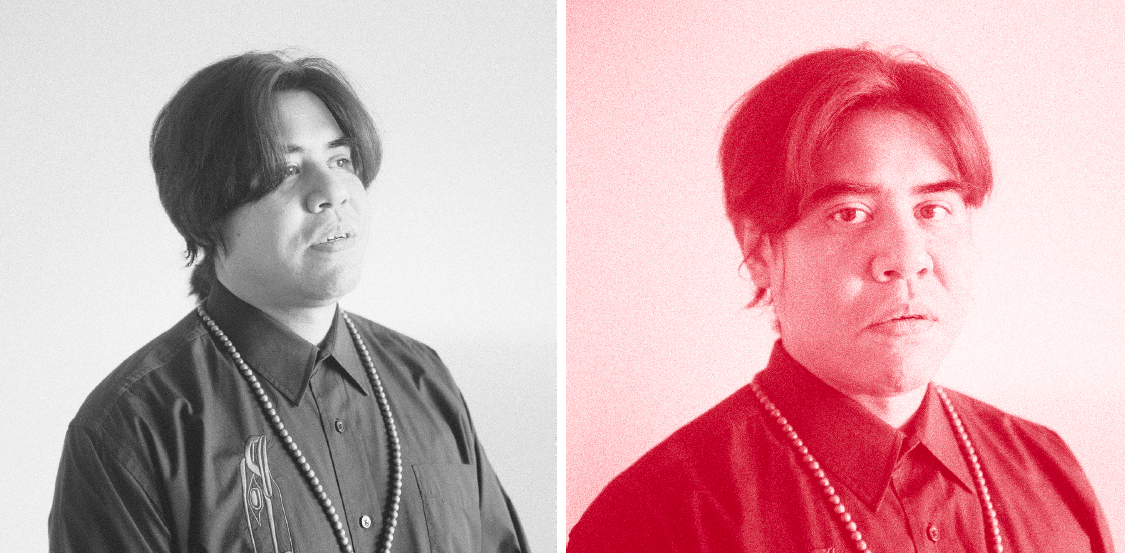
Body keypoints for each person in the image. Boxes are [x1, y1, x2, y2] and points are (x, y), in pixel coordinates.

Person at [568, 47, 1113, 552]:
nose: (906, 258)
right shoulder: (658, 518)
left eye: (933, 211)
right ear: (759, 250)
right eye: (850, 213)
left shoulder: (1048, 471)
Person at [49, 51, 528, 553]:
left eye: (341, 160)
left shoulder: (423, 379)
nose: (332, 192)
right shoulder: (134, 427)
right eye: (286, 169)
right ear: (207, 210)